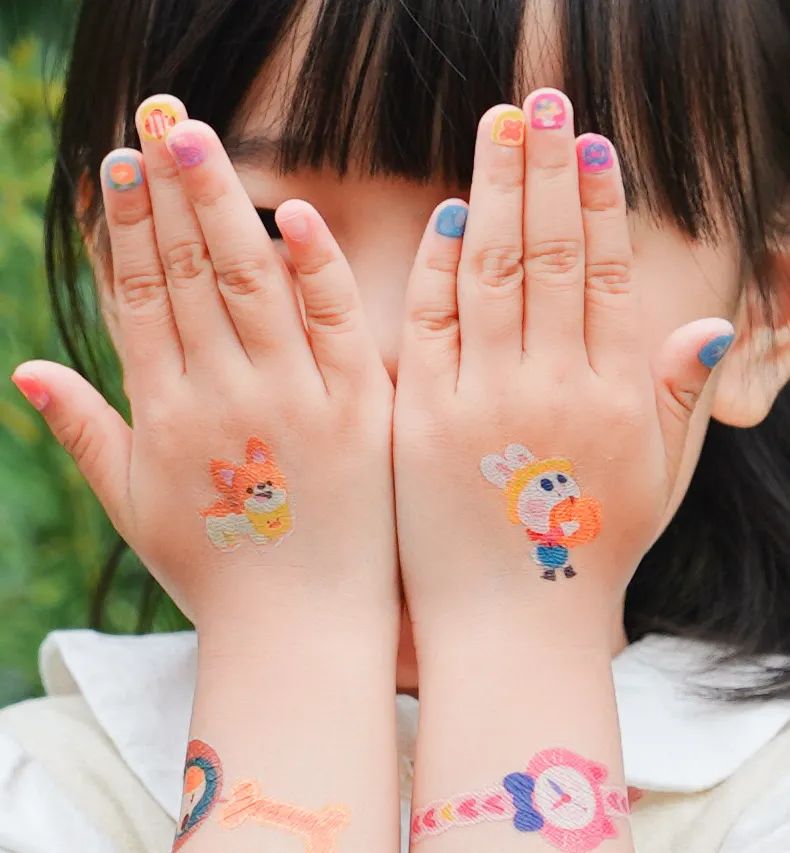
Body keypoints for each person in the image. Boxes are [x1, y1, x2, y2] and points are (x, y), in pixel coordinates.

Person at [2, 1, 789, 851]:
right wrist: (291, 635)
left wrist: (515, 633)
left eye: (517, 237)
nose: (383, 342)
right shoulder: (50, 795)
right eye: (265, 228)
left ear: (761, 314)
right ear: (129, 273)